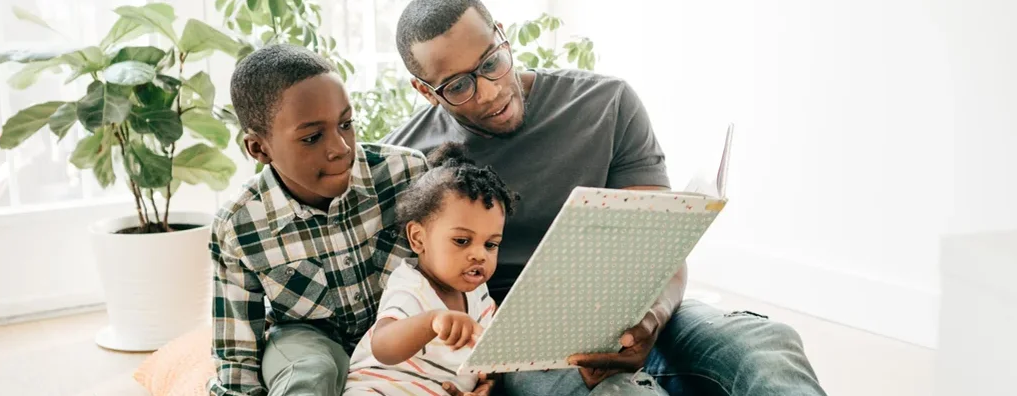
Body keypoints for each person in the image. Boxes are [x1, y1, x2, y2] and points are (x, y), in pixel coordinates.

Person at [383, 1, 830, 395]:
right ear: (425, 90)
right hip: (519, 344)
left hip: (630, 310)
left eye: (492, 62)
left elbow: (661, 249)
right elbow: (410, 299)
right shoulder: (407, 159)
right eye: (459, 86)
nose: (490, 90)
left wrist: (652, 318)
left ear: (502, 35)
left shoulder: (606, 102)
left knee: (767, 344)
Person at [209, 44, 428, 396]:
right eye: (312, 137)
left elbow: (453, 275)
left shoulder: (407, 172)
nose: (340, 147)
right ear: (259, 149)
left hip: (404, 330)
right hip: (308, 342)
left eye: (346, 124)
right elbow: (237, 353)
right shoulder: (239, 224)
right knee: (311, 371)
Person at [342, 143, 514, 396]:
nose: (479, 254)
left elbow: (489, 357)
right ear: (418, 238)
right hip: (381, 389)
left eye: (491, 244)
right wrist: (432, 321)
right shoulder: (412, 287)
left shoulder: (479, 296)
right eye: (462, 241)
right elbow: (383, 347)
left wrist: (487, 384)